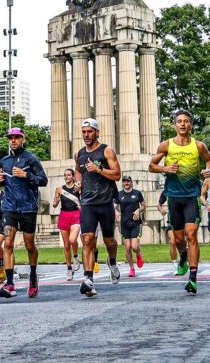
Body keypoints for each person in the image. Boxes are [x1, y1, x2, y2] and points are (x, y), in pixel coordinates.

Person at [148, 109, 210, 295]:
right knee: (178, 239)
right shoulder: (166, 145)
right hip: (174, 197)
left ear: (191, 125)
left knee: (191, 234)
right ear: (175, 125)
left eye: (186, 121)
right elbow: (151, 166)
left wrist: (208, 170)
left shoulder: (198, 145)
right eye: (179, 121)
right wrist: (166, 168)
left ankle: (193, 278)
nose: (183, 124)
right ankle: (183, 257)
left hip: (192, 196)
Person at [0, 127, 48, 299]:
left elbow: (43, 180)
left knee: (29, 245)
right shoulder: (4, 160)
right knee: (8, 242)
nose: (13, 140)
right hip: (9, 206)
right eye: (10, 138)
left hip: (28, 207)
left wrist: (26, 175)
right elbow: (4, 181)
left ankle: (33, 276)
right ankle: (10, 283)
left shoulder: (31, 158)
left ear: (23, 139)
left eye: (17, 137)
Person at [74, 118, 122, 297]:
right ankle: (88, 279)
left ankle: (113, 262)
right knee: (87, 239)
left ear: (97, 132)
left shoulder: (106, 150)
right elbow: (78, 170)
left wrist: (99, 170)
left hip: (105, 202)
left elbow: (117, 175)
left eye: (90, 132)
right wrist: (78, 183)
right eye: (84, 132)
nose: (86, 135)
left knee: (109, 240)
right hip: (87, 203)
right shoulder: (79, 153)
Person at [53, 168, 82, 281]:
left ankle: (75, 256)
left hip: (76, 214)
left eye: (69, 175)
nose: (66, 177)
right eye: (65, 175)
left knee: (72, 239)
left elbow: (83, 199)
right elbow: (55, 204)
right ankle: (69, 268)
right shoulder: (59, 189)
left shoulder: (78, 187)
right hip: (64, 215)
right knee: (66, 245)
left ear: (73, 176)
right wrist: (56, 200)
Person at [115, 176, 146, 277]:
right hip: (124, 224)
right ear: (122, 183)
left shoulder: (137, 193)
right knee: (127, 247)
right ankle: (132, 269)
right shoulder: (119, 194)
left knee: (134, 247)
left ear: (131, 182)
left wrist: (138, 210)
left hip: (135, 223)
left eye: (128, 181)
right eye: (124, 181)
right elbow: (114, 206)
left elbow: (144, 205)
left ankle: (138, 254)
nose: (126, 183)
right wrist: (116, 212)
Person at [157, 189, 177, 264]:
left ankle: (184, 259)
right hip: (171, 219)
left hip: (183, 218)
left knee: (182, 241)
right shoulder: (167, 191)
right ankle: (175, 263)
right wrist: (161, 210)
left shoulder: (183, 188)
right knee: (172, 241)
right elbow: (159, 205)